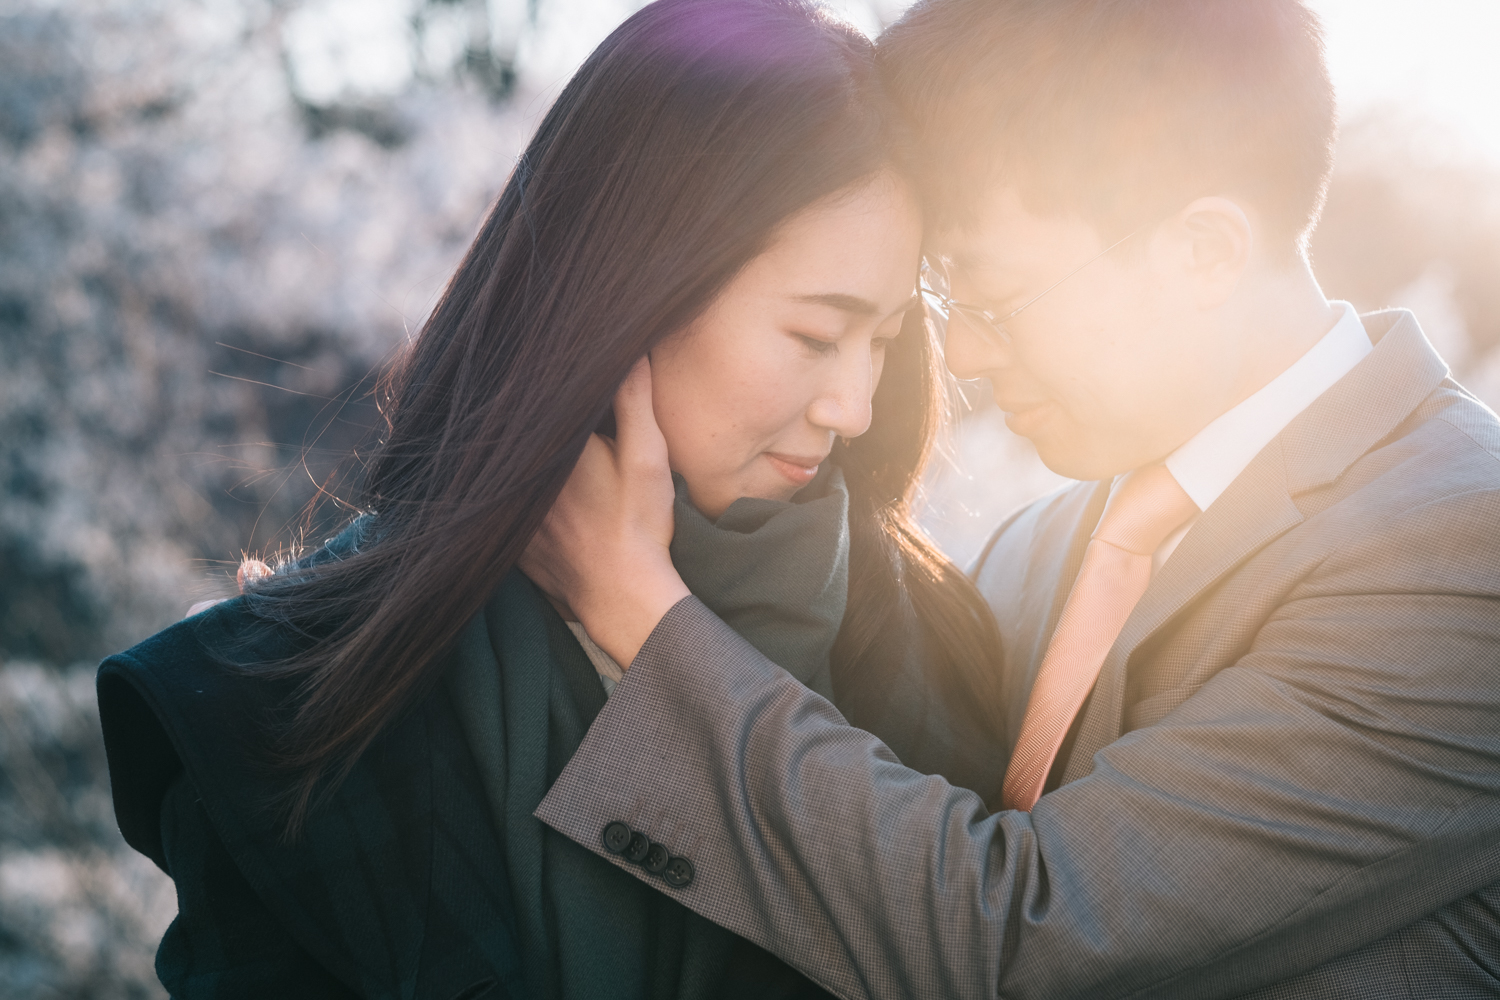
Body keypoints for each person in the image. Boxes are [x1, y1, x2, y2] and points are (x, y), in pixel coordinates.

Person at [522, 1, 1500, 998]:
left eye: (993, 300)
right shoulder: (1038, 549)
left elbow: (1022, 939)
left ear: (1202, 250)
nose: (968, 357)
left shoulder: (1464, 549)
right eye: (947, 307)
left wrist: (636, 604)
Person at [93, 1, 1014, 996]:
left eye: (882, 338)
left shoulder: (941, 656)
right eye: (813, 335)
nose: (855, 405)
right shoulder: (280, 708)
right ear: (637, 287)